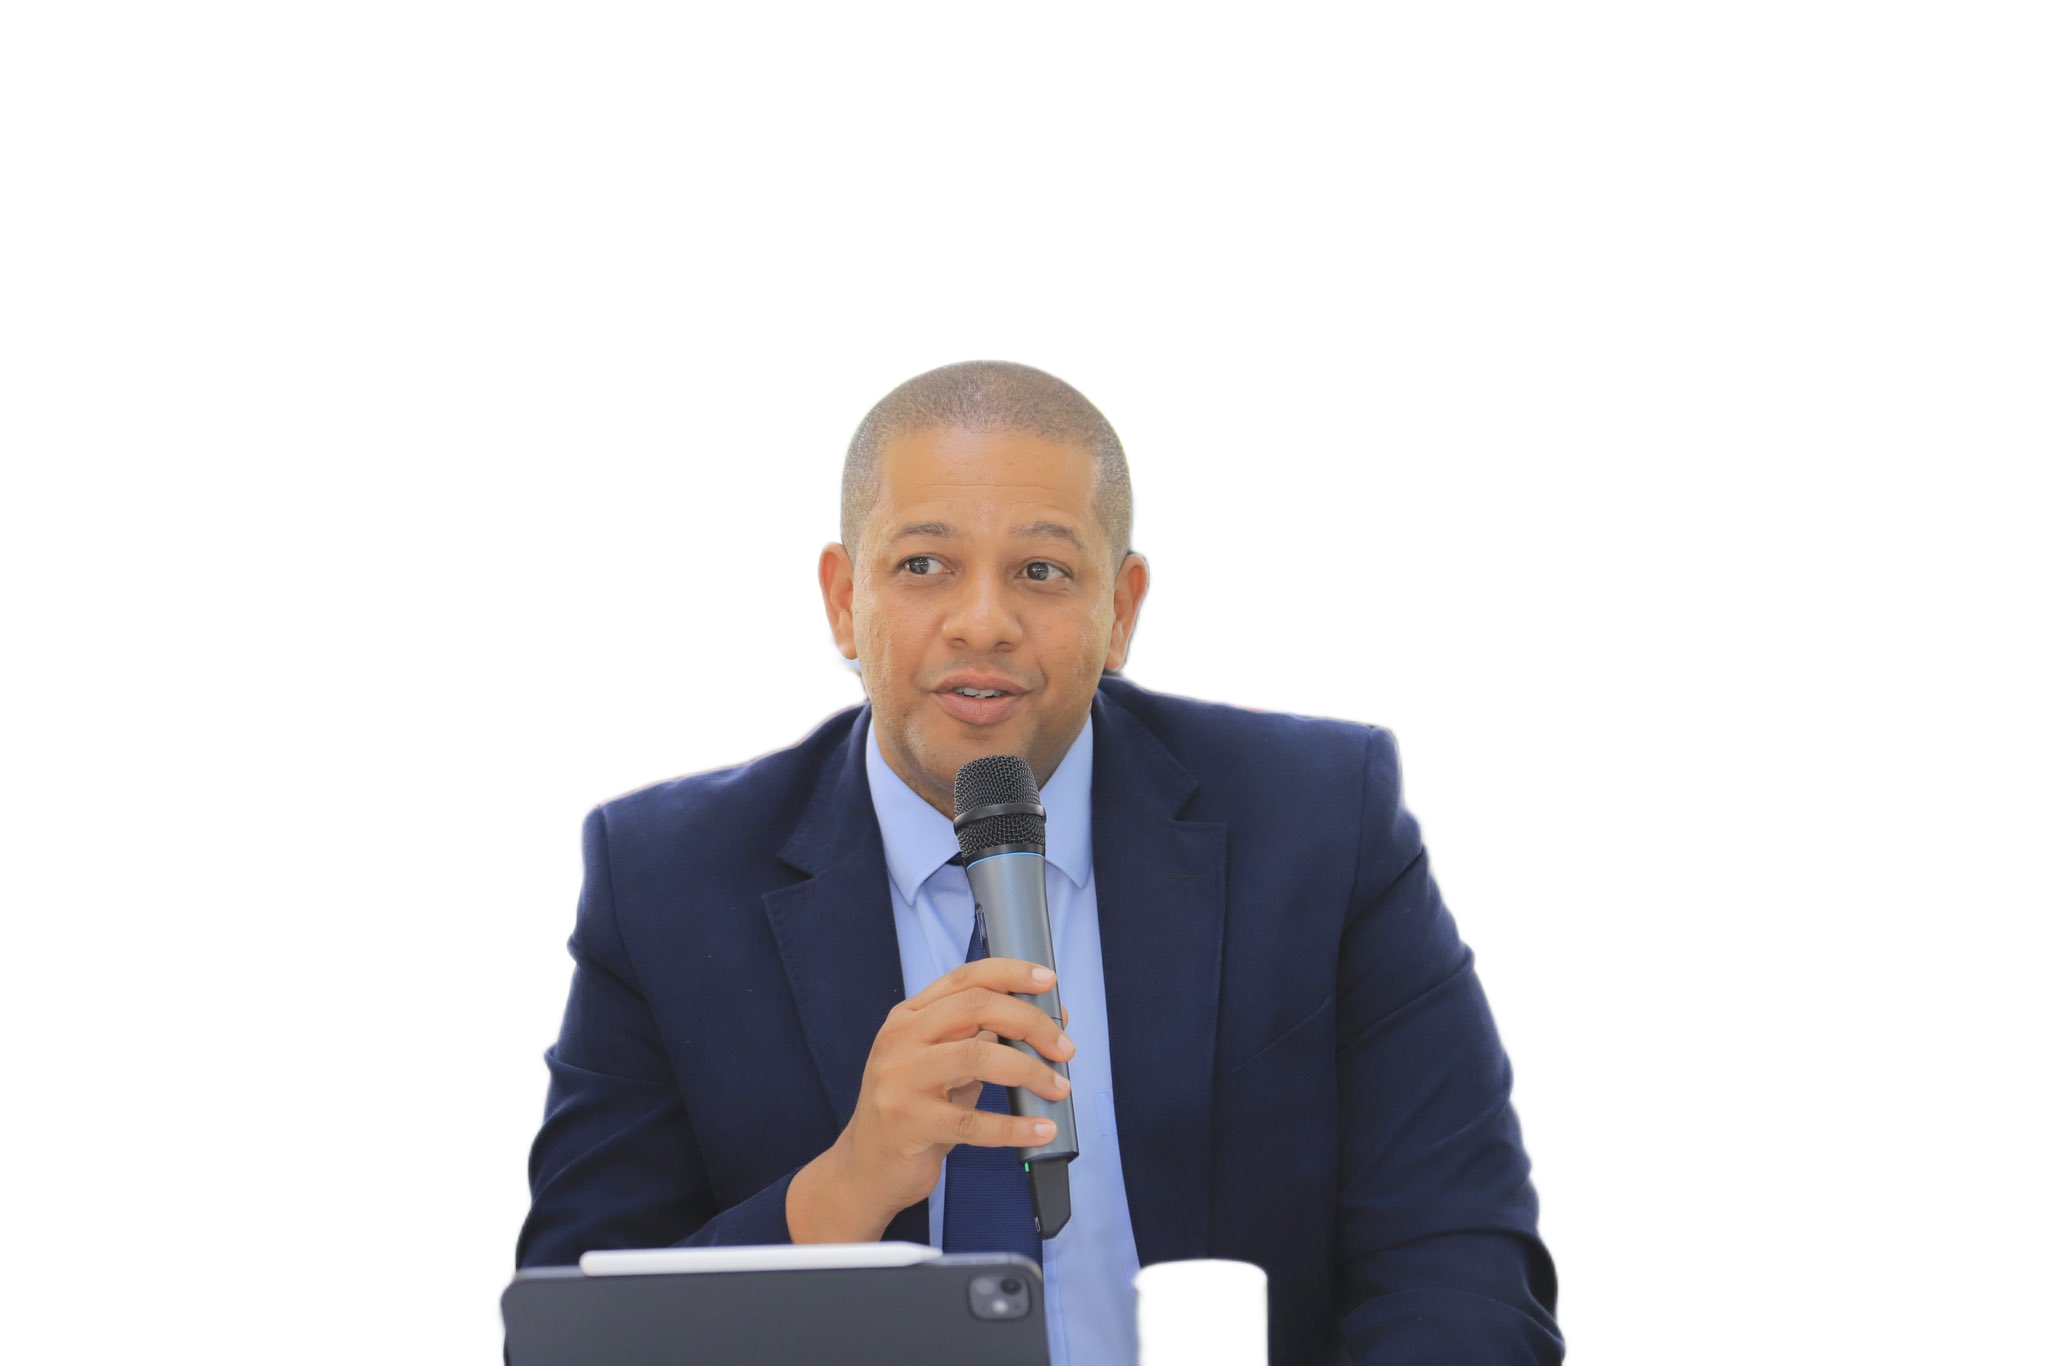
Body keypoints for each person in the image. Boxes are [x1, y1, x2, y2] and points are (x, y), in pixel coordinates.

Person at [516, 361, 1563, 1364]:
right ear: (842, 600)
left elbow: (1461, 1273)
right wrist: (844, 1186)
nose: (983, 623)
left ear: (1121, 609)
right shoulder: (663, 882)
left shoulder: (1321, 824)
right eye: (923, 565)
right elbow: (566, 1334)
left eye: (1042, 571)